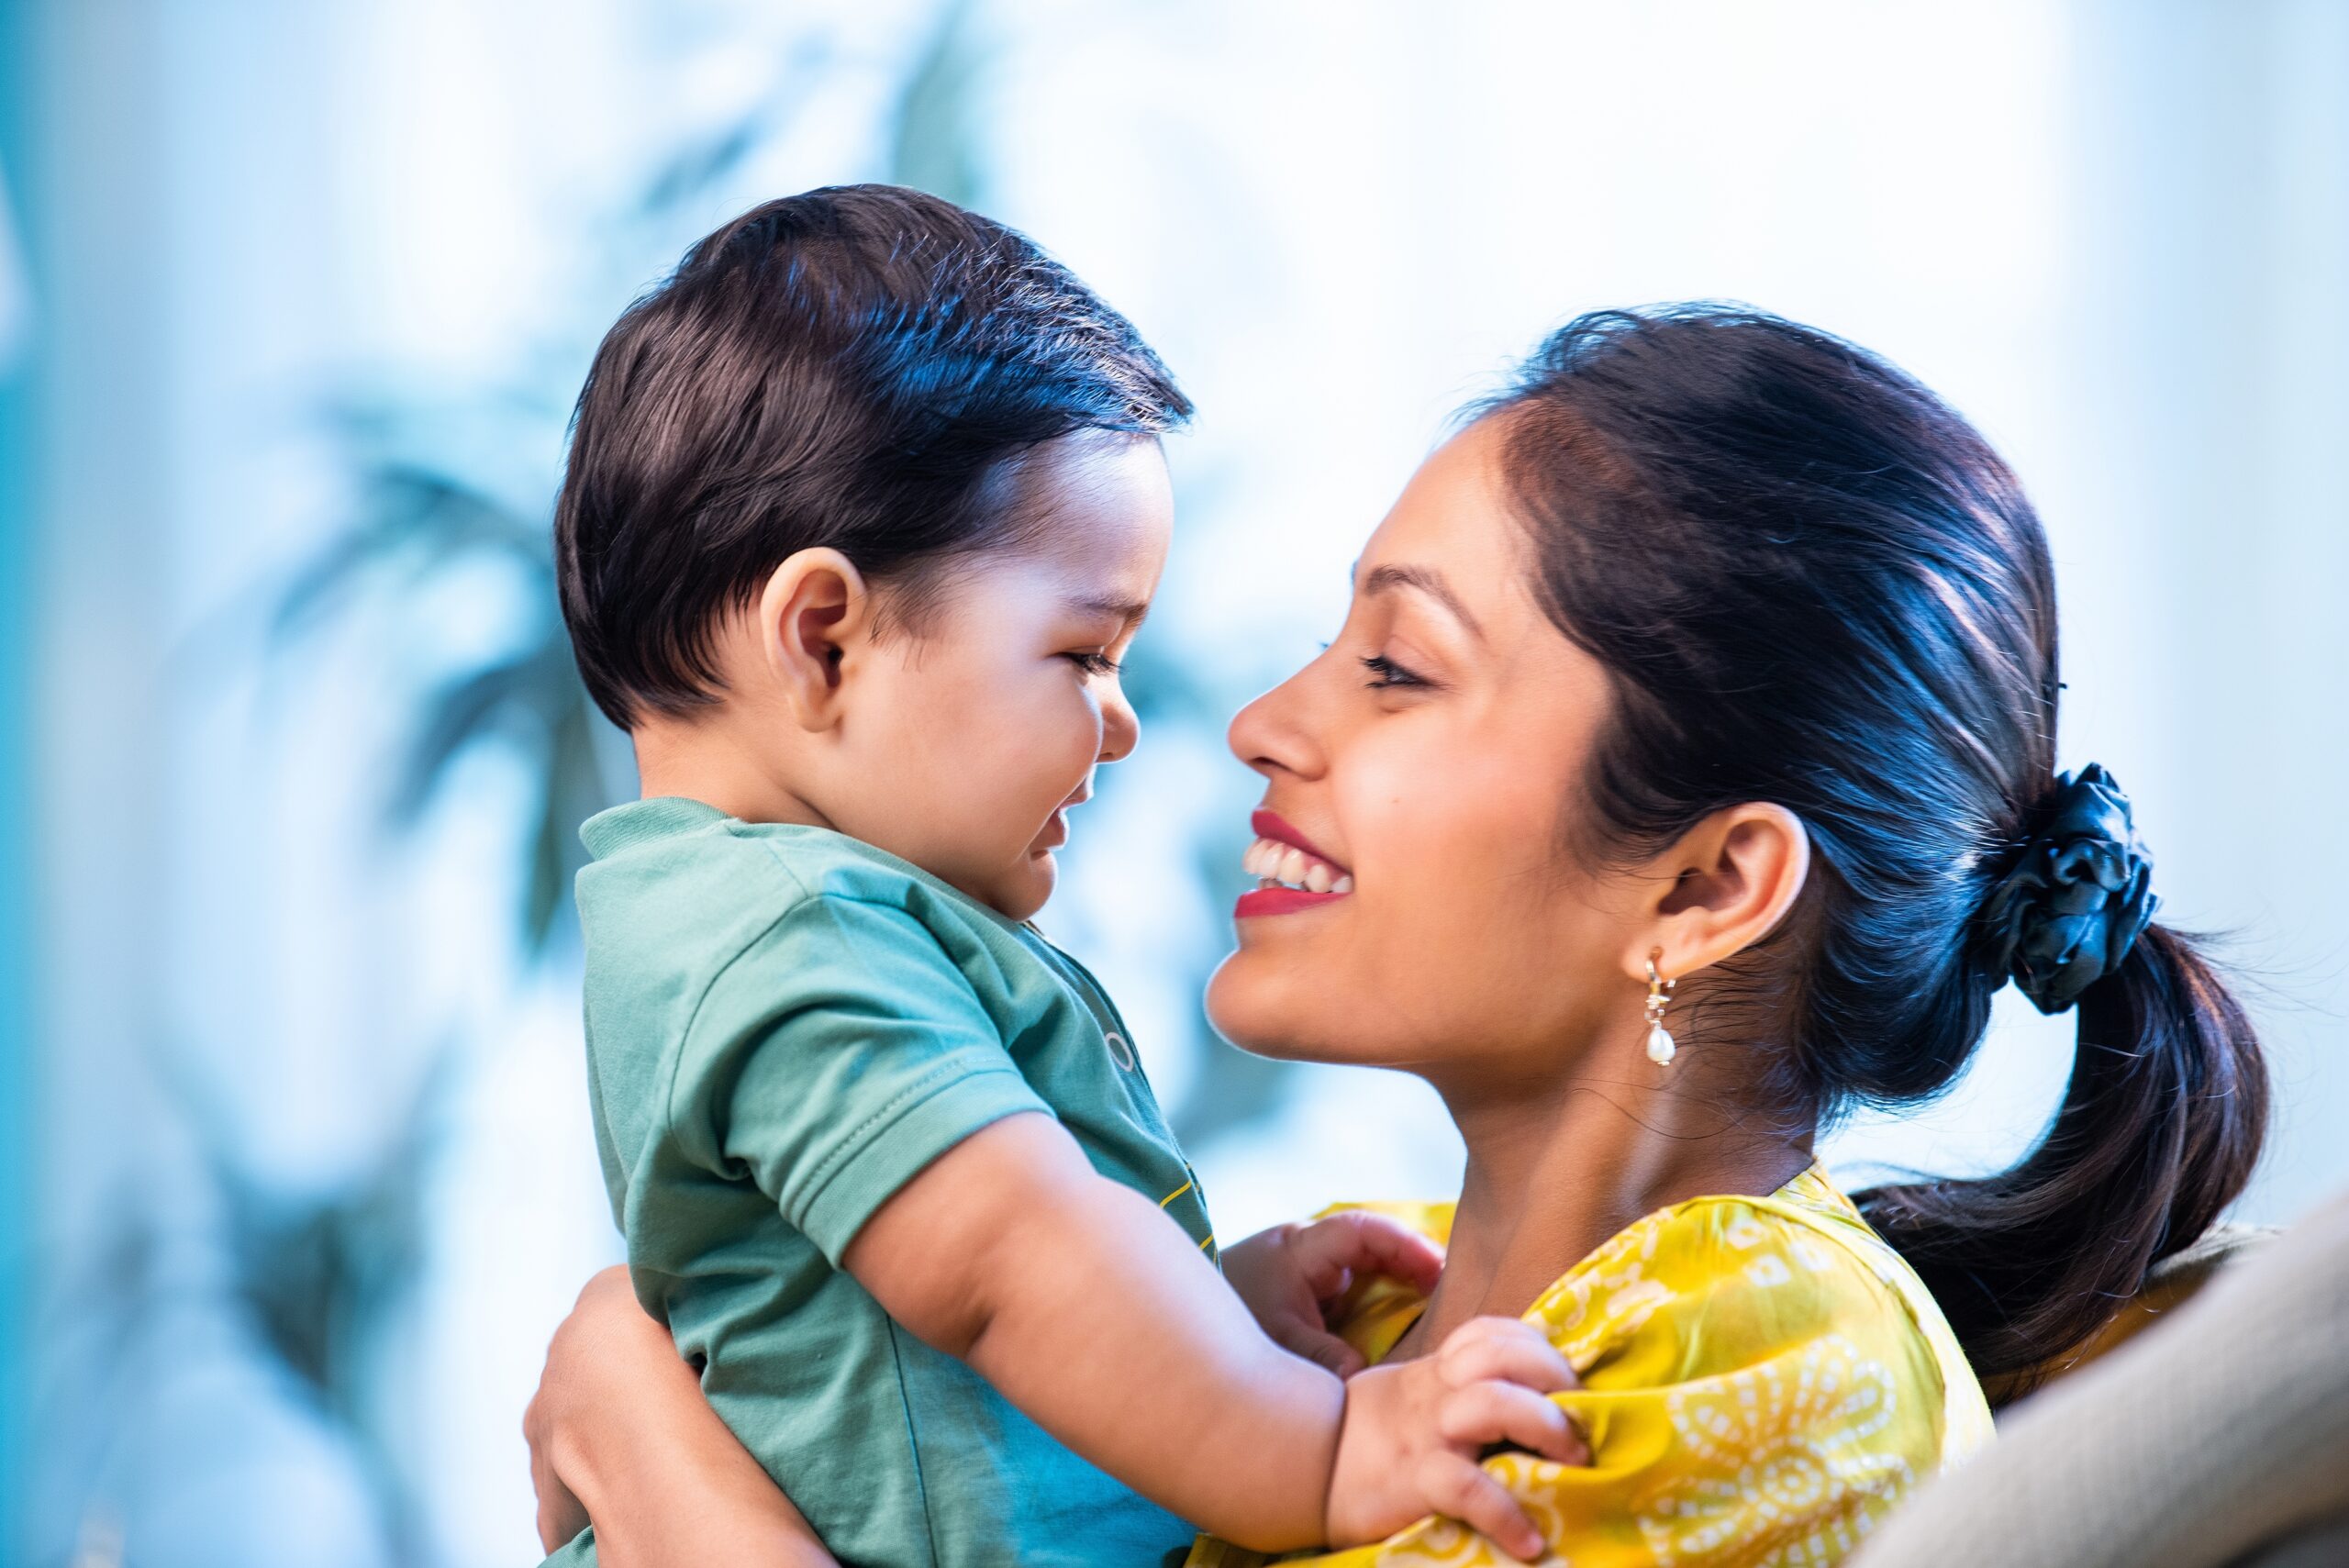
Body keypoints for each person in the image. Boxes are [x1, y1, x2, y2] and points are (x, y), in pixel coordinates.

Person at [527, 304, 2272, 1566]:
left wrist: (642, 1414)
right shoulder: (1356, 1327)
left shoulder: (1766, 1349)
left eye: (1397, 668)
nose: (1262, 725)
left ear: (1707, 886)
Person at [541, 183, 1586, 1568]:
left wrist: (1214, 1310)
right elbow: (1006, 1268)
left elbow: (928, 1348)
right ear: (823, 642)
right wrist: (1323, 1446)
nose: (1126, 716)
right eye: (1085, 652)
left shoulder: (781, 920)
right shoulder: (794, 946)